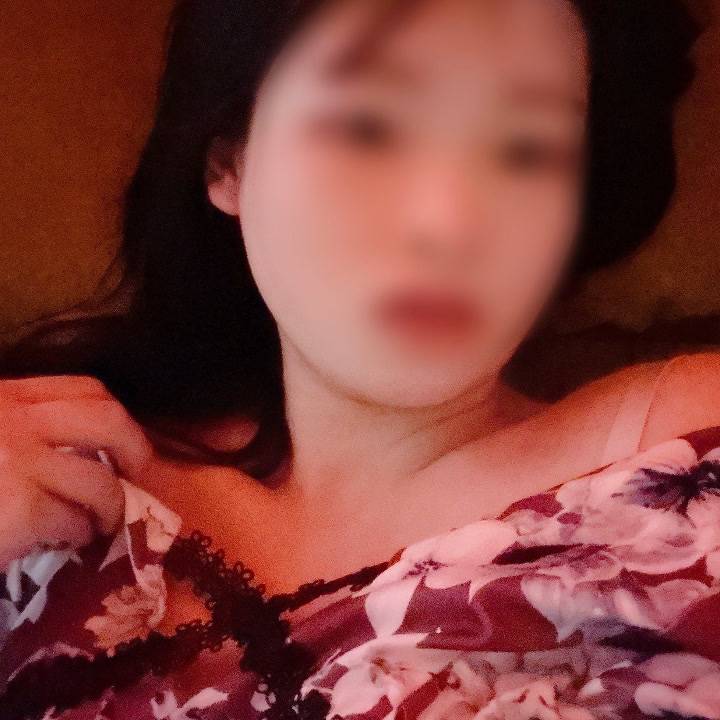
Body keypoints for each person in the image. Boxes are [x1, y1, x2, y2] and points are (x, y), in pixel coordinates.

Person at [0, 0, 718, 717]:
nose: (446, 225)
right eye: (368, 128)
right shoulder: (47, 457)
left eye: (528, 150)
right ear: (229, 165)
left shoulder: (684, 448)